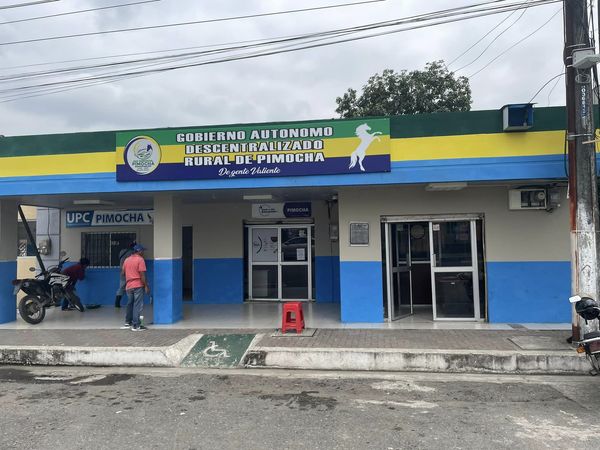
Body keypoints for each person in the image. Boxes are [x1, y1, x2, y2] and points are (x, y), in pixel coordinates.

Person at [122, 244, 150, 331]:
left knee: (130, 304)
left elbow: (122, 273)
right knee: (137, 305)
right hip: (137, 285)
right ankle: (136, 325)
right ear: (139, 251)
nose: (143, 252)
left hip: (129, 286)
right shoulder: (140, 260)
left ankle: (128, 322)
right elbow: (142, 274)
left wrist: (129, 276)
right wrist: (146, 286)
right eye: (142, 251)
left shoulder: (127, 260)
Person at [114, 241, 136, 308]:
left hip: (122, 271)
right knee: (131, 287)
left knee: (121, 287)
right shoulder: (131, 253)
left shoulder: (122, 251)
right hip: (128, 271)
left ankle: (117, 303)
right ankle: (131, 303)